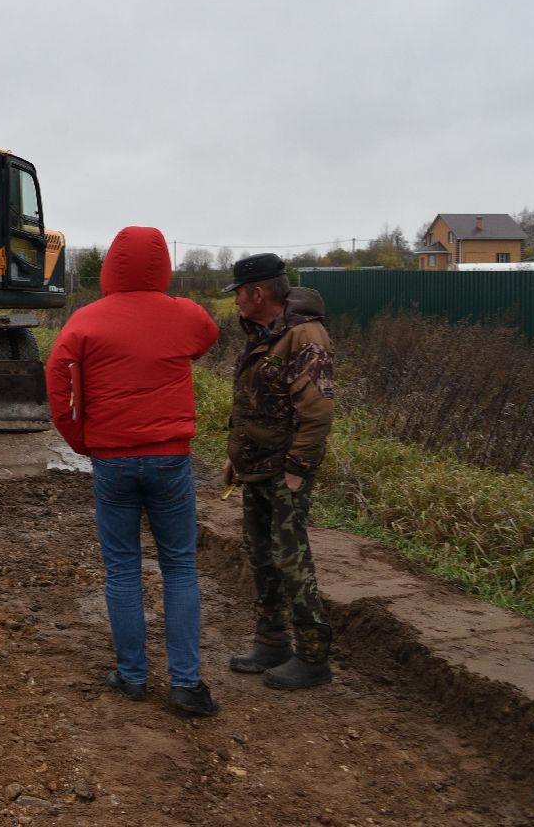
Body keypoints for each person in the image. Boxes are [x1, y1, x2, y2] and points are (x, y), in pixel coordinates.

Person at [45, 226, 221, 716]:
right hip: (171, 459)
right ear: (163, 264)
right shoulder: (185, 315)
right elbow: (206, 338)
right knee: (180, 566)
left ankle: (132, 676)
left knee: (122, 568)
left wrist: (84, 441)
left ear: (110, 268)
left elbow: (59, 389)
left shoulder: (85, 321)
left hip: (113, 462)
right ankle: (186, 685)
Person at [221, 252, 336, 690]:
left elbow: (318, 411)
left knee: (291, 559)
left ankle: (312, 656)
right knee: (262, 556)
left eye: (238, 293)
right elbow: (253, 403)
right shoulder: (263, 333)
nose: (235, 302)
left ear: (258, 292)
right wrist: (236, 454)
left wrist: (298, 469)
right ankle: (271, 642)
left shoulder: (305, 336)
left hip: (285, 470)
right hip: (256, 466)